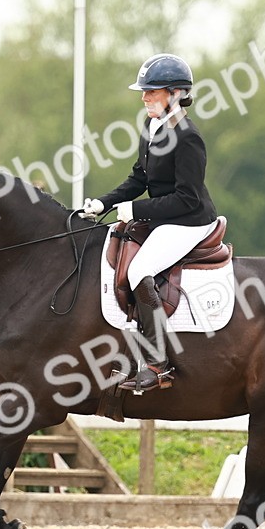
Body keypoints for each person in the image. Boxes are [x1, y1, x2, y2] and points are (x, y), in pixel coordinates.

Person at [83, 53, 219, 392]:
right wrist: (105, 201)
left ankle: (158, 365)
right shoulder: (151, 125)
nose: (144, 98)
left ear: (175, 94)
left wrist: (136, 211)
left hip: (189, 220)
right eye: (144, 92)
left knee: (138, 270)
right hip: (164, 215)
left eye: (152, 92)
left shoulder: (188, 137)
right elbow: (139, 177)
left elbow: (187, 198)